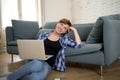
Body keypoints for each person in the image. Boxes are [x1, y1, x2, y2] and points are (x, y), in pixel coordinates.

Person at [7, 18, 82, 80]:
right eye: (61, 24)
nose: (61, 27)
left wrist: (75, 30)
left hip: (48, 65)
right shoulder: (44, 34)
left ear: (66, 31)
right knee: (37, 64)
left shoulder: (64, 39)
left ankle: (19, 76)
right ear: (58, 23)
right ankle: (10, 77)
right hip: (36, 59)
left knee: (35, 78)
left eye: (65, 28)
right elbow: (35, 47)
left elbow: (78, 45)